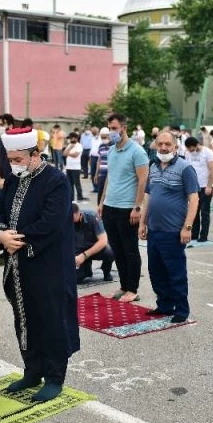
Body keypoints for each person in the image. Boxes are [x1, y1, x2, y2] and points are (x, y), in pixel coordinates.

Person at [0, 127, 79, 402]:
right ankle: (32, 370)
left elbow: (50, 223)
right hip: (19, 267)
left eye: (17, 159)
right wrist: (0, 234)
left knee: (51, 319)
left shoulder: (56, 181)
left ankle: (54, 378)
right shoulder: (13, 179)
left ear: (34, 155)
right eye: (10, 159)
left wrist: (17, 239)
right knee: (24, 319)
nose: (12, 164)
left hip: (48, 266)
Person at [139, 132, 199, 322]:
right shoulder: (154, 166)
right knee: (156, 272)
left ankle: (181, 310)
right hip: (154, 230)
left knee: (176, 273)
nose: (163, 147)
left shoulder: (185, 168)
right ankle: (164, 305)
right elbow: (148, 196)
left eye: (167, 144)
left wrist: (187, 227)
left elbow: (194, 198)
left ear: (175, 147)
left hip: (173, 231)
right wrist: (142, 222)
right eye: (160, 144)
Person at [97, 113, 149, 303]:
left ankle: (133, 289)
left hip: (127, 209)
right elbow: (110, 178)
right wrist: (102, 202)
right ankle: (124, 285)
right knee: (117, 250)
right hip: (110, 207)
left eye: (114, 128)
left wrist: (137, 207)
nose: (111, 132)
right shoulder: (111, 151)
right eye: (109, 128)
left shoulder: (137, 151)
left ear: (124, 128)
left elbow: (143, 180)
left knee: (130, 250)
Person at [72, 203, 115, 284]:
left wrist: (84, 255)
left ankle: (106, 269)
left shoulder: (92, 216)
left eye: (74, 220)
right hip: (78, 250)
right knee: (76, 280)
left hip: (95, 248)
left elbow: (103, 241)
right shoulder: (65, 220)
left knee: (110, 251)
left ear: (80, 214)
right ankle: (86, 270)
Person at [184, 137, 213, 243]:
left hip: (205, 185)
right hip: (193, 187)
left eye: (192, 149)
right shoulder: (187, 153)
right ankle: (194, 234)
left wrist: (209, 186)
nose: (191, 151)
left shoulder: (208, 153)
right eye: (189, 150)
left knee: (204, 212)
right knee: (194, 212)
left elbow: (212, 170)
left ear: (197, 145)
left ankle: (204, 235)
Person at [63, 132, 86, 202]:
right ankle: (71, 197)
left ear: (75, 138)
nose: (70, 139)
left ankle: (80, 196)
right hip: (68, 167)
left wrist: (68, 153)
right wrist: (69, 148)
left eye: (71, 138)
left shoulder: (79, 145)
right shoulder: (69, 145)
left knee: (77, 183)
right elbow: (64, 154)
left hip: (76, 167)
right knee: (70, 184)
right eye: (69, 138)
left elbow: (75, 155)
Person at [93, 127, 111, 205]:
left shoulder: (113, 146)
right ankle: (99, 208)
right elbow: (99, 160)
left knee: (108, 193)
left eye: (105, 137)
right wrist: (96, 174)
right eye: (102, 137)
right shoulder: (101, 146)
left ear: (108, 136)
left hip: (110, 173)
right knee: (100, 192)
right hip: (102, 173)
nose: (103, 138)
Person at [88, 127, 101, 192]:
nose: (92, 133)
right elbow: (92, 148)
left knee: (98, 172)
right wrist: (90, 158)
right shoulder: (92, 138)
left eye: (93, 132)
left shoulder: (101, 138)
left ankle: (99, 187)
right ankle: (95, 187)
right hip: (93, 157)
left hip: (99, 157)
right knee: (93, 172)